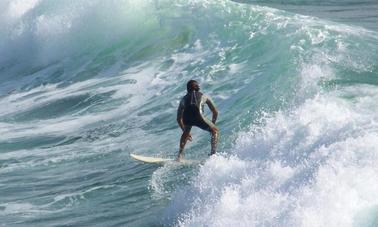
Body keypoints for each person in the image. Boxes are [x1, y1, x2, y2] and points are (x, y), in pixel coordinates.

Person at [176, 80, 219, 161]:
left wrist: (184, 130)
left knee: (186, 132)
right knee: (215, 131)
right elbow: (215, 112)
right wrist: (212, 125)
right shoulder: (204, 96)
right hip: (199, 117)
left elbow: (178, 119)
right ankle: (213, 155)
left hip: (187, 118)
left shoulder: (183, 99)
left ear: (187, 89)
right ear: (198, 88)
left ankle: (179, 156)